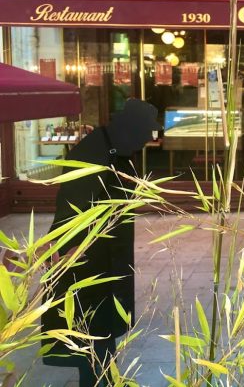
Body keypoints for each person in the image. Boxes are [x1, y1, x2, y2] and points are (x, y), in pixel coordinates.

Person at [41, 99, 160, 387]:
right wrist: (70, 257)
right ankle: (97, 380)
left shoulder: (116, 150)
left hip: (108, 258)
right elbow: (72, 216)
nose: (147, 141)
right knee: (90, 330)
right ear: (130, 129)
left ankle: (106, 376)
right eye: (145, 134)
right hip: (86, 262)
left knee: (103, 330)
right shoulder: (92, 153)